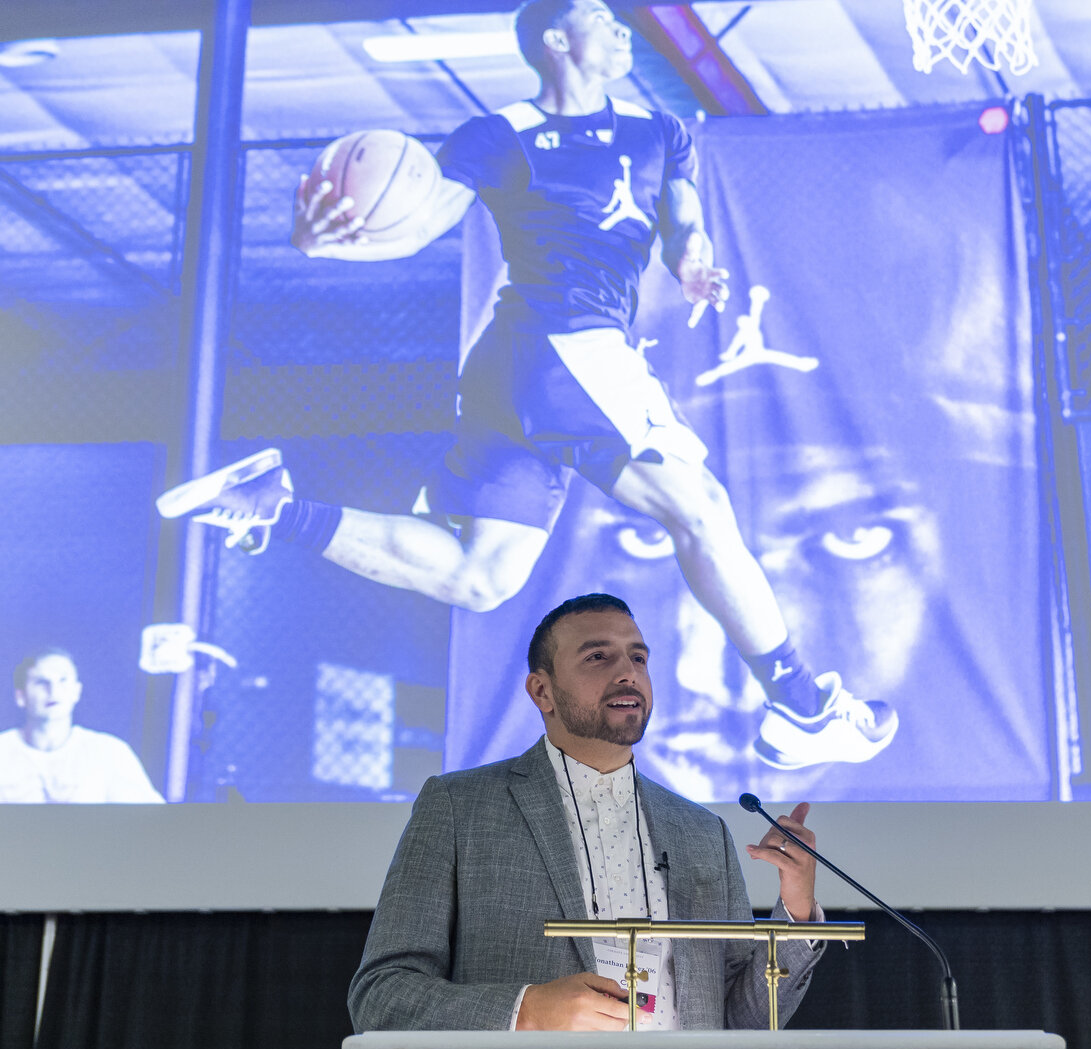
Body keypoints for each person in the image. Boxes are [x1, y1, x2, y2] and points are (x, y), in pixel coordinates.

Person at [156, 0, 896, 772]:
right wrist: (325, 243)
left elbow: (684, 222)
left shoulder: (660, 131)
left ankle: (274, 506)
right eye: (600, 17)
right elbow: (415, 223)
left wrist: (692, 263)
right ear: (554, 40)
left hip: (512, 368)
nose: (618, 29)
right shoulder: (500, 133)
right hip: (568, 342)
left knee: (481, 576)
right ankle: (802, 704)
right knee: (701, 509)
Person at [348, 593, 826, 1031]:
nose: (628, 673)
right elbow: (383, 995)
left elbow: (742, 1022)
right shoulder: (460, 808)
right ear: (542, 692)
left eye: (639, 657)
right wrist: (527, 1009)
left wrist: (797, 908)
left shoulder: (702, 832)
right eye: (599, 657)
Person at [0, 648, 164, 804]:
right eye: (41, 682)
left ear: (76, 692)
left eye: (63, 681)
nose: (53, 691)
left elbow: (151, 828)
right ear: (21, 696)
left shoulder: (110, 754)